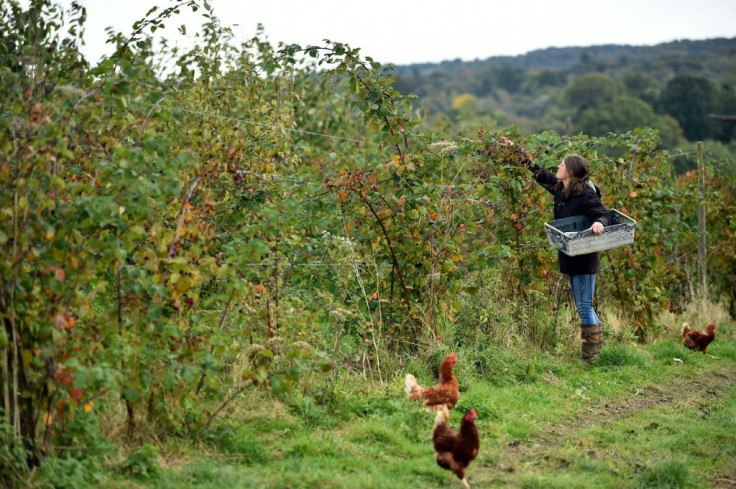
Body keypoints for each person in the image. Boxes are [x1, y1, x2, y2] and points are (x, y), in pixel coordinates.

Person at [501, 138, 612, 362]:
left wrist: (599, 223)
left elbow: (604, 214)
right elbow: (539, 173)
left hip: (584, 255)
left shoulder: (586, 195)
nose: (558, 166)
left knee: (584, 305)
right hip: (571, 254)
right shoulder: (562, 190)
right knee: (583, 304)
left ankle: (592, 355)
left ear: (571, 171)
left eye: (562, 164)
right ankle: (596, 352)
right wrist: (515, 151)